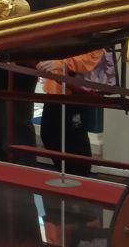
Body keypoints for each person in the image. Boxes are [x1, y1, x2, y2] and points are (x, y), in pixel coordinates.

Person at [37, 49, 105, 177]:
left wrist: (62, 64)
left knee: (75, 138)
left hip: (77, 93)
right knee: (49, 134)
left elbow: (93, 55)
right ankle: (67, 173)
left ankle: (80, 176)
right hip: (56, 89)